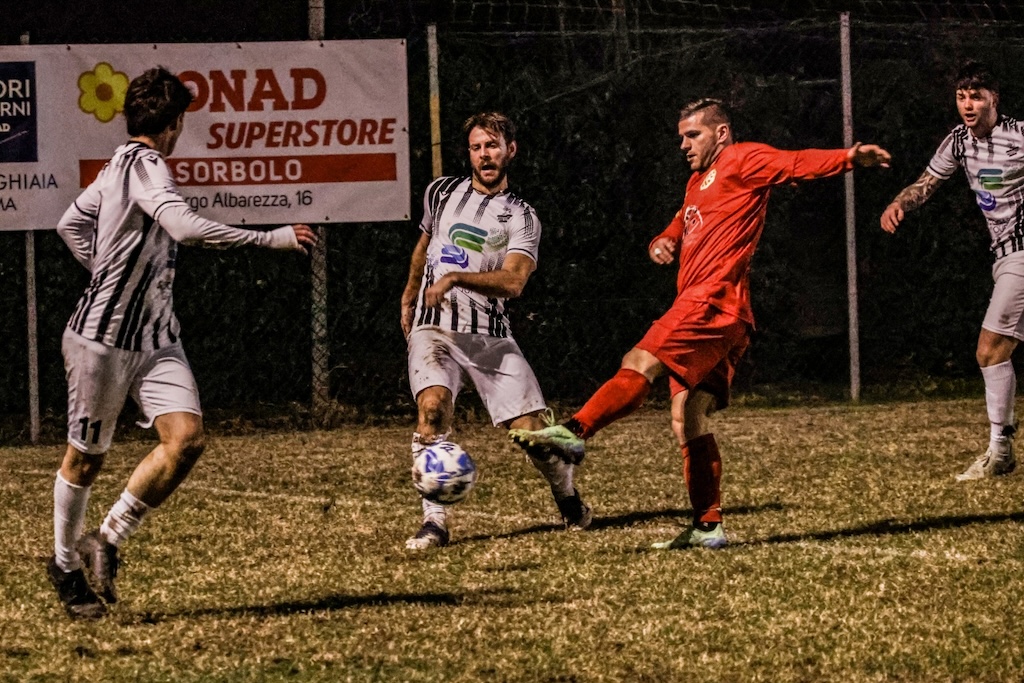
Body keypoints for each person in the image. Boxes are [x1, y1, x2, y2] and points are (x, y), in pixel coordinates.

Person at [510, 98, 891, 549]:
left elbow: (794, 164)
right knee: (688, 414)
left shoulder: (741, 158)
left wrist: (848, 158)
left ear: (721, 132)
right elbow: (682, 221)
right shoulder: (697, 183)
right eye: (681, 138)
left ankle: (574, 435)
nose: (684, 145)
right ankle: (708, 527)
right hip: (731, 315)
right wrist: (664, 240)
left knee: (640, 359)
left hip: (710, 301)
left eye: (693, 135)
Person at [48, 66, 316, 619]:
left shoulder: (117, 164)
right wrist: (273, 238)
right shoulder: (145, 164)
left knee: (187, 439)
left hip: (156, 338)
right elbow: (186, 228)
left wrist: (105, 270)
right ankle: (64, 567)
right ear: (173, 124)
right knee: (85, 459)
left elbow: (69, 225)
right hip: (102, 340)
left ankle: (108, 537)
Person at [399, 111, 590, 550]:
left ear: (510, 151)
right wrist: (410, 295)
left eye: (493, 146)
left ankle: (567, 497)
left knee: (536, 439)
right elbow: (424, 247)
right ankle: (434, 522)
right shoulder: (441, 191)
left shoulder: (522, 217)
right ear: (469, 152)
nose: (485, 155)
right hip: (436, 329)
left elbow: (515, 281)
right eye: (477, 146)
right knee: (432, 409)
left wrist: (456, 279)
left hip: (490, 335)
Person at [881, 61, 1022, 481]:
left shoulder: (1018, 135)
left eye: (976, 95)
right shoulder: (959, 142)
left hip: (1022, 253)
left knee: (990, 349)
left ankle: (1000, 451)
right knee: (997, 351)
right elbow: (927, 182)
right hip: (1004, 256)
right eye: (961, 96)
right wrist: (899, 203)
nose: (968, 104)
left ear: (994, 98)